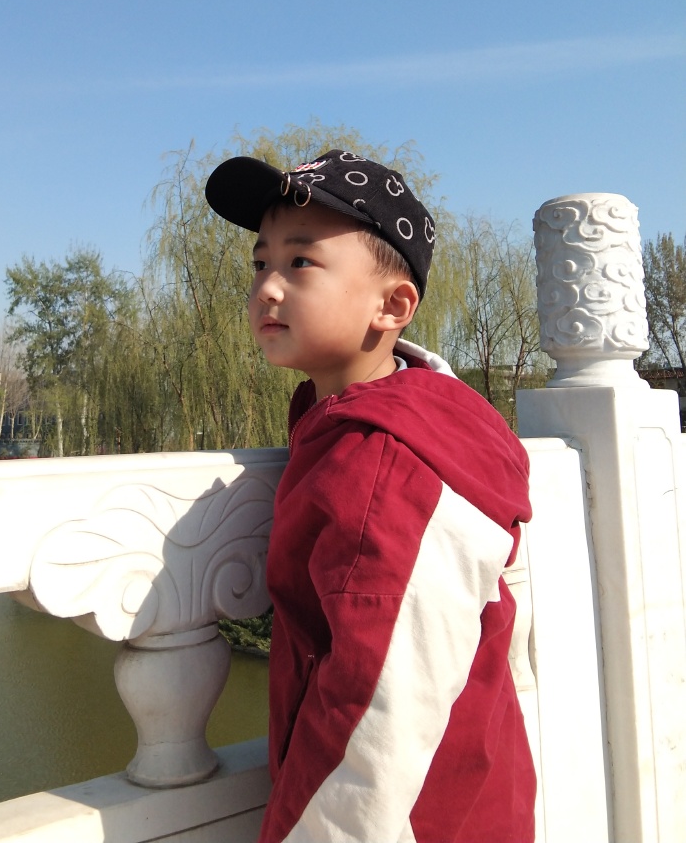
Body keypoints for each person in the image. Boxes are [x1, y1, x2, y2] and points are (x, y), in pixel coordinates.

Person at [204, 149, 536, 843]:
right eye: (260, 263)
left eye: (300, 262)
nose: (266, 288)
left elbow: (377, 713)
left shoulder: (389, 467)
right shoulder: (370, 428)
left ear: (392, 306)